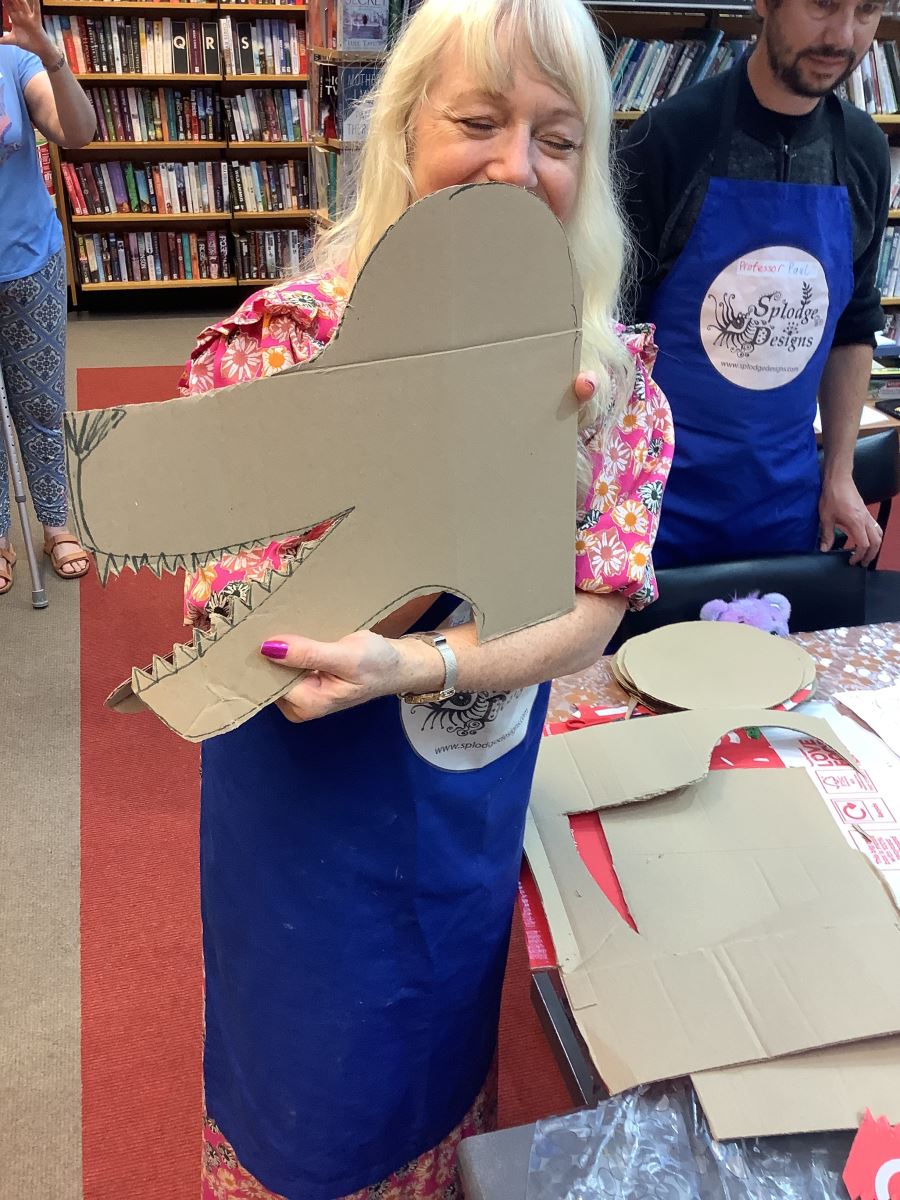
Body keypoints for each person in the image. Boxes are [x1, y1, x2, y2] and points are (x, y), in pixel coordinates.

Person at [179, 1, 673, 1197]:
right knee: (312, 1108)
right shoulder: (287, 356)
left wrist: (428, 665)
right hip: (309, 854)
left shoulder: (601, 376)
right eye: (479, 120)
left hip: (461, 816)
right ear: (401, 132)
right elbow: (246, 645)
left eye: (559, 138)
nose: (518, 166)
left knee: (443, 1060)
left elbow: (593, 609)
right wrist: (461, 477)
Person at [618, 0, 889, 571]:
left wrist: (838, 473)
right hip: (656, 507)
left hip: (786, 507)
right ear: (763, 2)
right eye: (822, 4)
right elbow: (613, 333)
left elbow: (852, 327)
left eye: (866, 11)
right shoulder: (668, 140)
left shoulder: (862, 152)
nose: (842, 35)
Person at [0, 0, 95, 594]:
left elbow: (78, 132)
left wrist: (48, 53)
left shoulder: (12, 60)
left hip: (28, 262)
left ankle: (55, 524)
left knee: (38, 400)